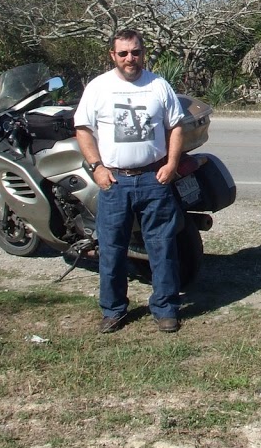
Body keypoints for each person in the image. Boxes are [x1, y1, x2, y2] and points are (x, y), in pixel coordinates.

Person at [74, 29, 186, 334]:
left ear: (143, 53)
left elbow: (176, 126)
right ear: (113, 55)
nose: (129, 59)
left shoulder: (159, 86)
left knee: (162, 248)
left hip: (154, 179)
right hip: (115, 182)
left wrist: (172, 164)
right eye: (123, 53)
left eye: (135, 52)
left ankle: (165, 308)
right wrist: (96, 167)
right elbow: (83, 129)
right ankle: (113, 310)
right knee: (111, 249)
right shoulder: (99, 87)